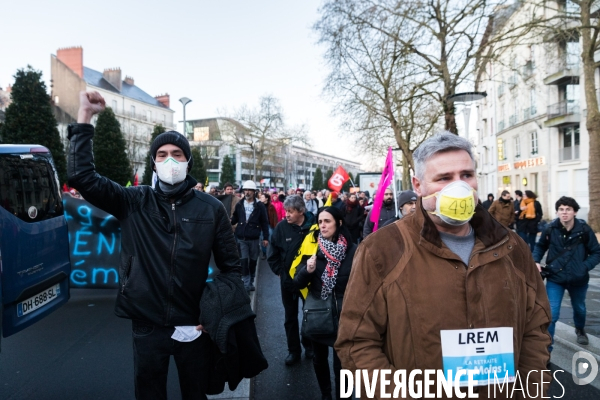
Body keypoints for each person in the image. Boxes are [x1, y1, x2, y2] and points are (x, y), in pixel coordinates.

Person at [335, 132, 551, 396]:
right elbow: (357, 342)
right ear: (418, 185)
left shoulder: (512, 247)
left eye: (466, 175)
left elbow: (535, 330)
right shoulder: (381, 250)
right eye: (444, 178)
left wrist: (530, 391)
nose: (458, 187)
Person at [67, 91, 241, 400]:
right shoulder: (133, 201)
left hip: (194, 325)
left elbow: (232, 268)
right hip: (147, 324)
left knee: (195, 393)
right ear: (153, 161)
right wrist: (84, 117)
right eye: (162, 154)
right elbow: (82, 176)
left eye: (177, 153)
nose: (170, 159)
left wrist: (211, 313)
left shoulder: (210, 208)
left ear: (188, 161)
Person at [293, 207, 357, 400]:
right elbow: (297, 284)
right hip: (318, 314)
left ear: (338, 223)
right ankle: (326, 395)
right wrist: (307, 271)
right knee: (319, 360)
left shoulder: (353, 251)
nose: (323, 225)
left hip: (344, 317)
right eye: (320, 221)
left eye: (327, 221)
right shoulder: (312, 249)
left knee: (342, 364)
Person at [533, 196, 600, 350]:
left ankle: (580, 329)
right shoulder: (550, 228)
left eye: (568, 210)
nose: (564, 213)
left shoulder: (584, 230)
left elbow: (596, 252)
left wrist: (583, 267)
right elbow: (540, 246)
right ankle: (547, 350)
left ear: (575, 212)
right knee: (552, 313)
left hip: (578, 279)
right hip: (555, 277)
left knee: (579, 308)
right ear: (557, 212)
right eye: (561, 210)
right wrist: (536, 260)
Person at [267, 195, 315, 365]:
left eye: (290, 212)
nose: (286, 215)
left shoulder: (314, 227)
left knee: (310, 315)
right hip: (287, 282)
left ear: (301, 211)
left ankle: (309, 346)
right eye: (286, 211)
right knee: (290, 317)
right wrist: (280, 272)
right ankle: (293, 351)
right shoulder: (281, 228)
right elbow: (272, 254)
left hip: (310, 282)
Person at [231, 180, 270, 291]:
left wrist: (266, 237)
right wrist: (229, 221)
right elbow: (235, 218)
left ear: (254, 192)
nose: (247, 192)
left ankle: (251, 280)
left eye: (249, 190)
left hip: (254, 238)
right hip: (241, 237)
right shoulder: (239, 204)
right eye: (245, 190)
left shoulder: (260, 206)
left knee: (252, 261)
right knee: (243, 260)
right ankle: (246, 283)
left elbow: (264, 222)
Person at [259, 192, 278, 260]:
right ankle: (264, 253)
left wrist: (275, 226)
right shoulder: (259, 206)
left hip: (269, 225)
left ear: (266, 198)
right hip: (261, 226)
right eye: (260, 197)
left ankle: (271, 253)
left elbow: (274, 217)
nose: (261, 198)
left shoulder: (271, 206)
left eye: (262, 197)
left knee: (270, 239)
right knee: (262, 239)